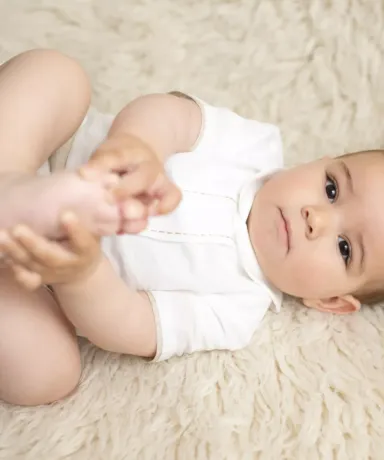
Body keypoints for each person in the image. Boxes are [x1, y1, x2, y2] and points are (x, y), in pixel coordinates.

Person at [0, 49, 382, 406]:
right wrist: (139, 144)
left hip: (36, 282)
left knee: (50, 375)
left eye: (345, 247)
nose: (316, 218)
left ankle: (21, 213)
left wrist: (79, 276)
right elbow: (172, 114)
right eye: (331, 188)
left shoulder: (237, 313)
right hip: (51, 152)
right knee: (59, 76)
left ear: (331, 301)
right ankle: (15, 185)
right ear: (320, 161)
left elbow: (133, 325)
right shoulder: (253, 147)